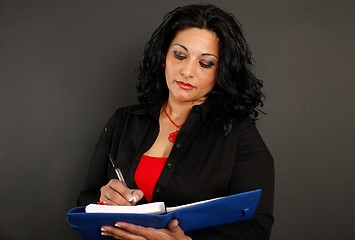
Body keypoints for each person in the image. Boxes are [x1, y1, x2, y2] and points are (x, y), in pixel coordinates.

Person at [77, 3, 274, 240]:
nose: (187, 71)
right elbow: (85, 201)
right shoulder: (123, 121)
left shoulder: (238, 132)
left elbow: (257, 228)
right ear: (163, 57)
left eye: (205, 63)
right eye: (180, 55)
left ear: (221, 72)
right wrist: (104, 199)